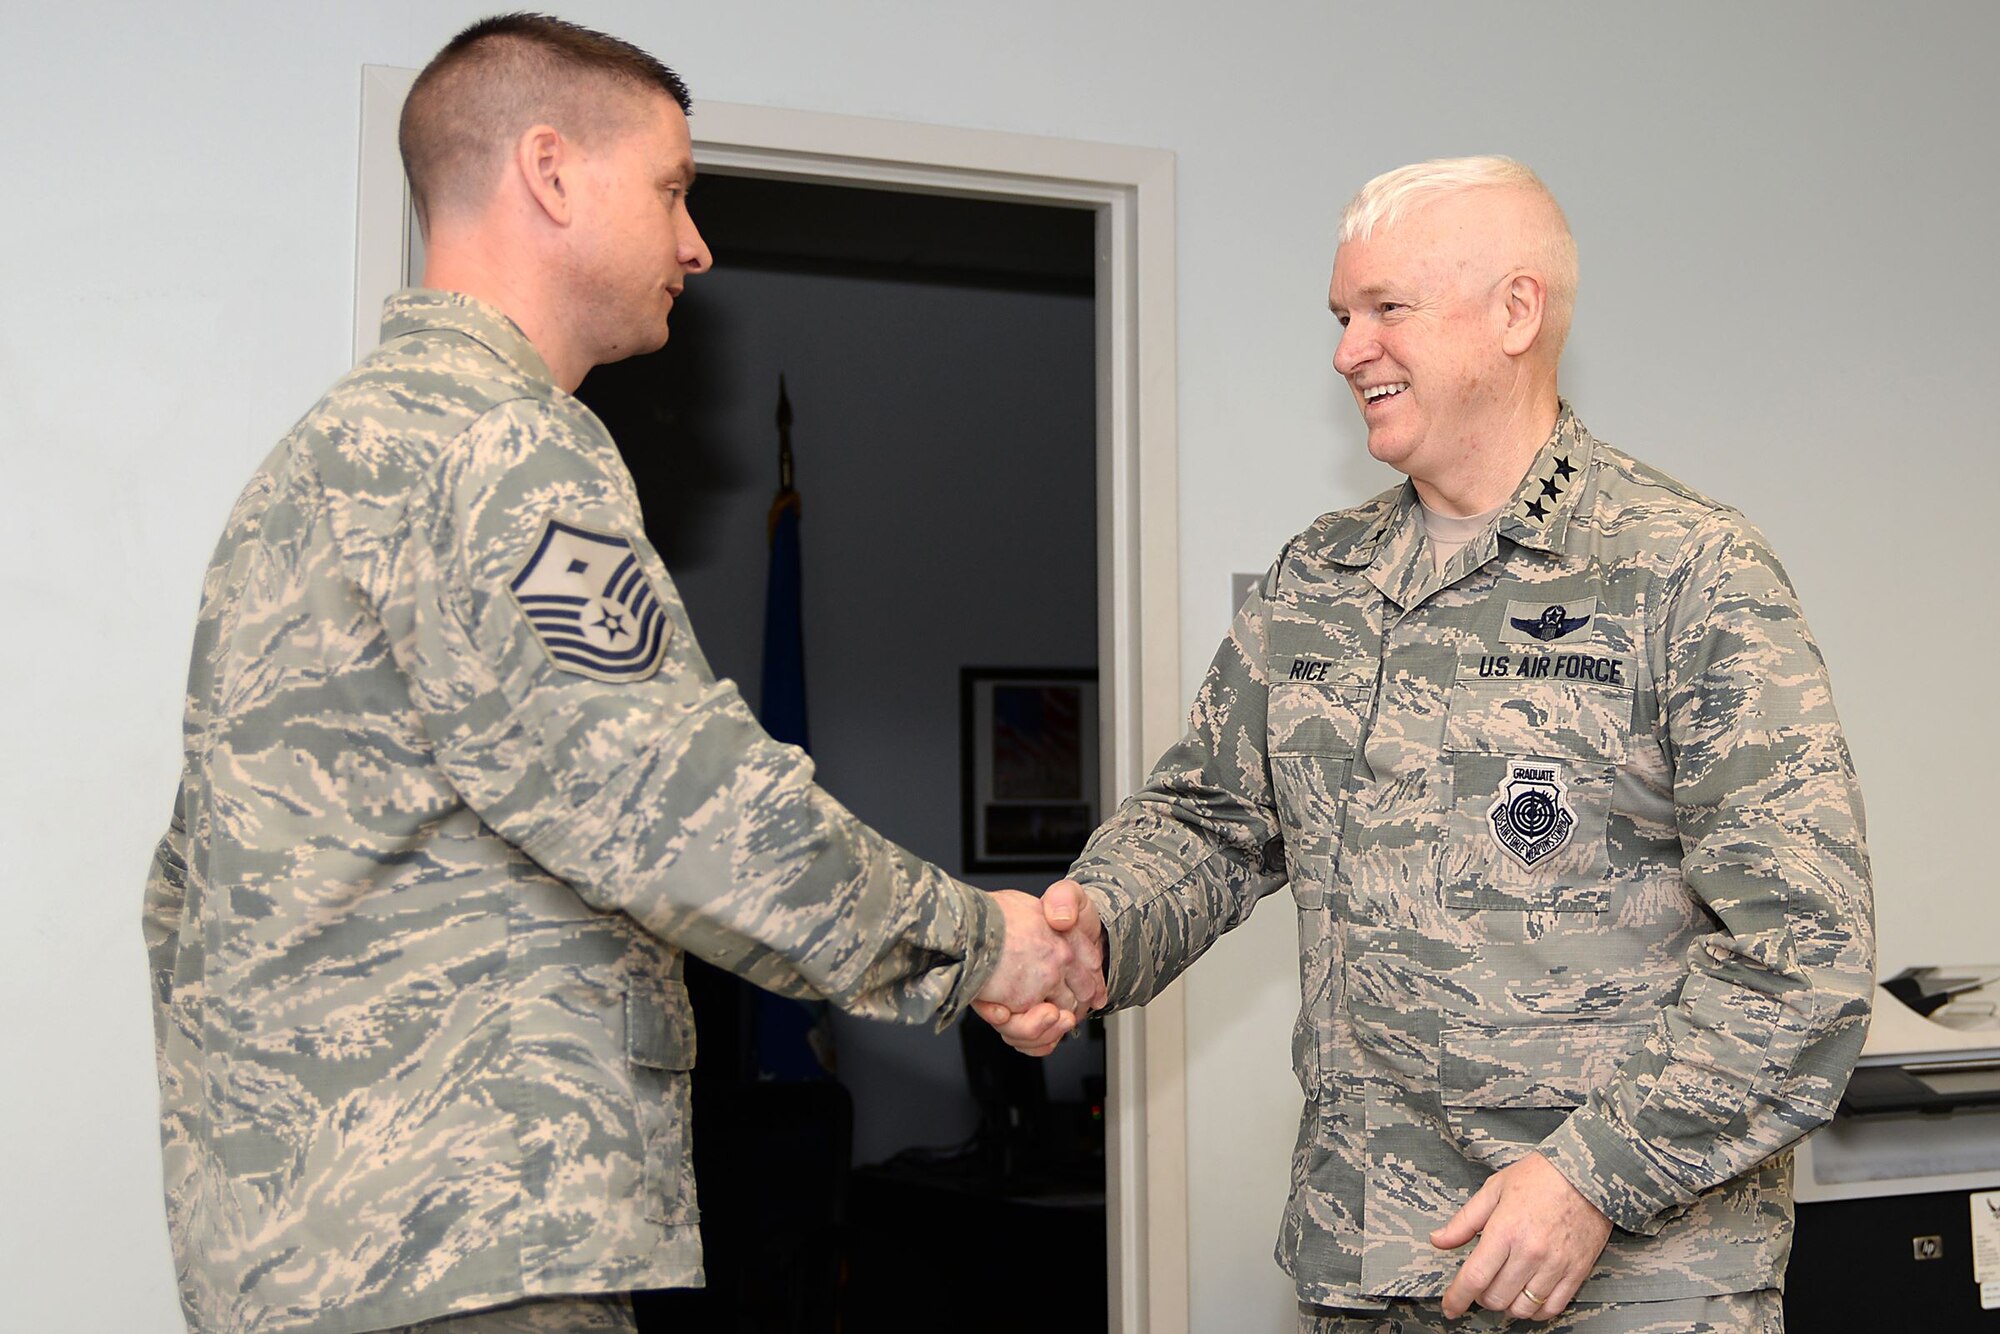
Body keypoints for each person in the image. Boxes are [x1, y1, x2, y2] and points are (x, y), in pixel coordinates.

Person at [141, 15, 1103, 1333]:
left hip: (308, 1249)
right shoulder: (504, 447)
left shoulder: (315, 465)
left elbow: (181, 893)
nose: (696, 242)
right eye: (670, 189)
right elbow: (685, 806)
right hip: (470, 1246)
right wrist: (981, 946)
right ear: (549, 172)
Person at [981, 156, 1872, 1332]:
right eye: (1341, 317)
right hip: (1370, 1257)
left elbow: (1801, 948)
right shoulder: (1318, 577)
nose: (1347, 351)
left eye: (1383, 309)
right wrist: (1089, 927)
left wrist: (1590, 1176)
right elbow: (1206, 823)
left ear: (1516, 311)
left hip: (1627, 1276)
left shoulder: (1685, 571)